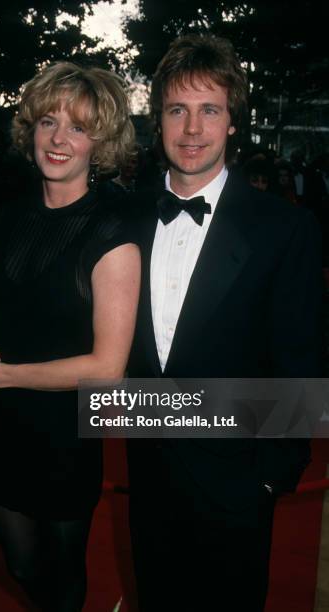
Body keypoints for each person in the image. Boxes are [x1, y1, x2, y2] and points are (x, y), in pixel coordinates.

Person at [127, 34, 322, 612]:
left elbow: (300, 357)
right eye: (177, 110)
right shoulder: (122, 217)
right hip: (147, 478)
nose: (191, 129)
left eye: (209, 110)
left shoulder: (284, 229)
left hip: (237, 485)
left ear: (234, 121)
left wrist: (267, 481)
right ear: (157, 119)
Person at [0, 61, 140, 611]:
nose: (59, 139)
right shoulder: (6, 219)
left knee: (63, 572)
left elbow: (107, 369)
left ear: (98, 143)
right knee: (20, 564)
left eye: (78, 127)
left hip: (64, 435)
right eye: (48, 122)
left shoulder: (113, 233)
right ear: (29, 129)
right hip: (4, 431)